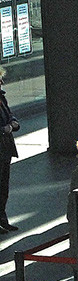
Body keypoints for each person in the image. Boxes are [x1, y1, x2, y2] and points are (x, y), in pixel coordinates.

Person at [0, 67, 17, 231]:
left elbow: (10, 114)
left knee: (4, 186)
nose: (2, 82)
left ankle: (2, 219)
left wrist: (13, 123)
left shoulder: (1, 98)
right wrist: (4, 129)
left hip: (5, 148)